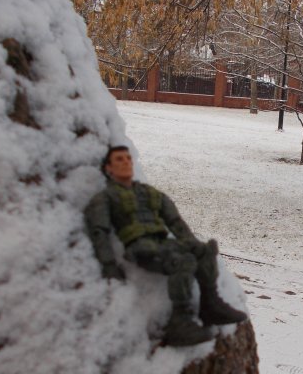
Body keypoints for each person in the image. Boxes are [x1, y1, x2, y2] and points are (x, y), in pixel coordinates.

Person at [84, 145, 247, 346]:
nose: (126, 162)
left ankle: (211, 305)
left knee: (205, 251)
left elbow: (174, 221)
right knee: (183, 261)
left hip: (162, 242)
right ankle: (180, 322)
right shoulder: (105, 198)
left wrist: (192, 243)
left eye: (128, 158)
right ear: (108, 168)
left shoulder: (149, 193)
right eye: (119, 159)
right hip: (140, 247)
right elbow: (99, 232)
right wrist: (109, 264)